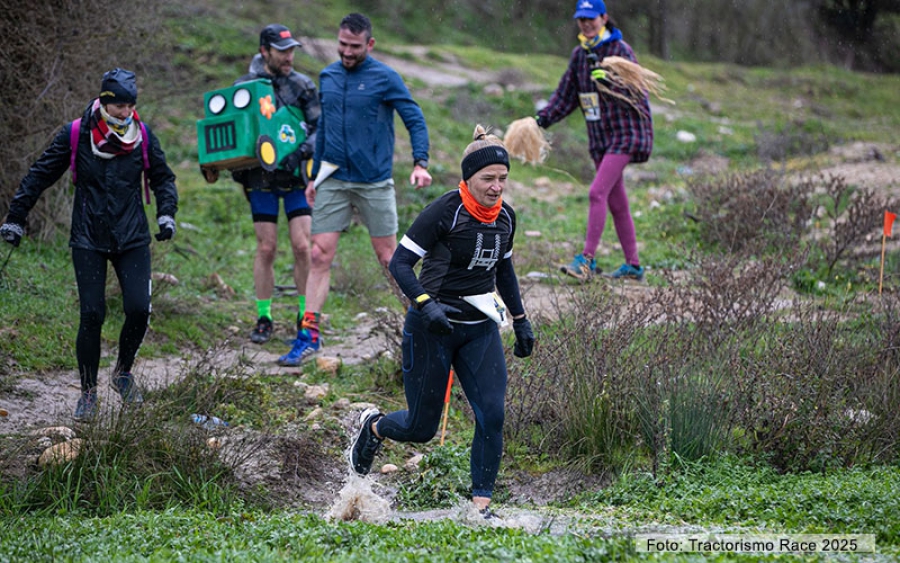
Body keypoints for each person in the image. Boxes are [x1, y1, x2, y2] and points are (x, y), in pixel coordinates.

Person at [350, 125, 535, 519]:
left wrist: (520, 320)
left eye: (503, 178)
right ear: (468, 177)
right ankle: (374, 427)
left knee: (492, 414)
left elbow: (504, 270)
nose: (497, 187)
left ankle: (481, 508)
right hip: (432, 327)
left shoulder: (506, 217)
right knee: (420, 429)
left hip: (479, 328)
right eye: (488, 179)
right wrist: (424, 303)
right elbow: (400, 262)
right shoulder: (445, 211)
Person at [0, 68, 179, 421]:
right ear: (105, 102)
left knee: (139, 309)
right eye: (120, 106)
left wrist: (166, 213)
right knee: (92, 314)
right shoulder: (76, 134)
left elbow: (162, 177)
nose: (126, 113)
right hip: (88, 237)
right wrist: (15, 217)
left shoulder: (142, 135)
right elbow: (40, 174)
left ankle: (122, 373)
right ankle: (87, 393)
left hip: (132, 236)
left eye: (131, 105)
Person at [301, 12, 432, 363]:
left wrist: (420, 162)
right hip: (333, 177)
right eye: (342, 44)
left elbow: (414, 118)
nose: (347, 51)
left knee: (389, 258)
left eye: (354, 46)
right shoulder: (328, 76)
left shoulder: (385, 78)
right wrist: (314, 176)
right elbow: (324, 128)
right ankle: (308, 334)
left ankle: (420, 323)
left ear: (369, 44)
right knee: (319, 254)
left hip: (374, 181)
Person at [536, 0, 653, 281]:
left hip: (626, 134)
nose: (586, 23)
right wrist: (540, 120)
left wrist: (611, 82)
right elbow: (565, 96)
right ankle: (633, 266)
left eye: (591, 18)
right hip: (600, 139)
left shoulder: (620, 51)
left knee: (596, 192)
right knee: (617, 202)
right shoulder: (580, 55)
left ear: (604, 18)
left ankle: (586, 261)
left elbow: (638, 95)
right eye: (582, 19)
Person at [232, 24, 322, 366]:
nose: (289, 56)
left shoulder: (303, 85)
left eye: (291, 50)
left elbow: (319, 127)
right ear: (264, 51)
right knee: (266, 247)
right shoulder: (244, 87)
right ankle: (264, 316)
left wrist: (302, 152)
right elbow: (237, 130)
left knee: (303, 246)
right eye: (282, 51)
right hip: (260, 179)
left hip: (296, 177)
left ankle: (304, 317)